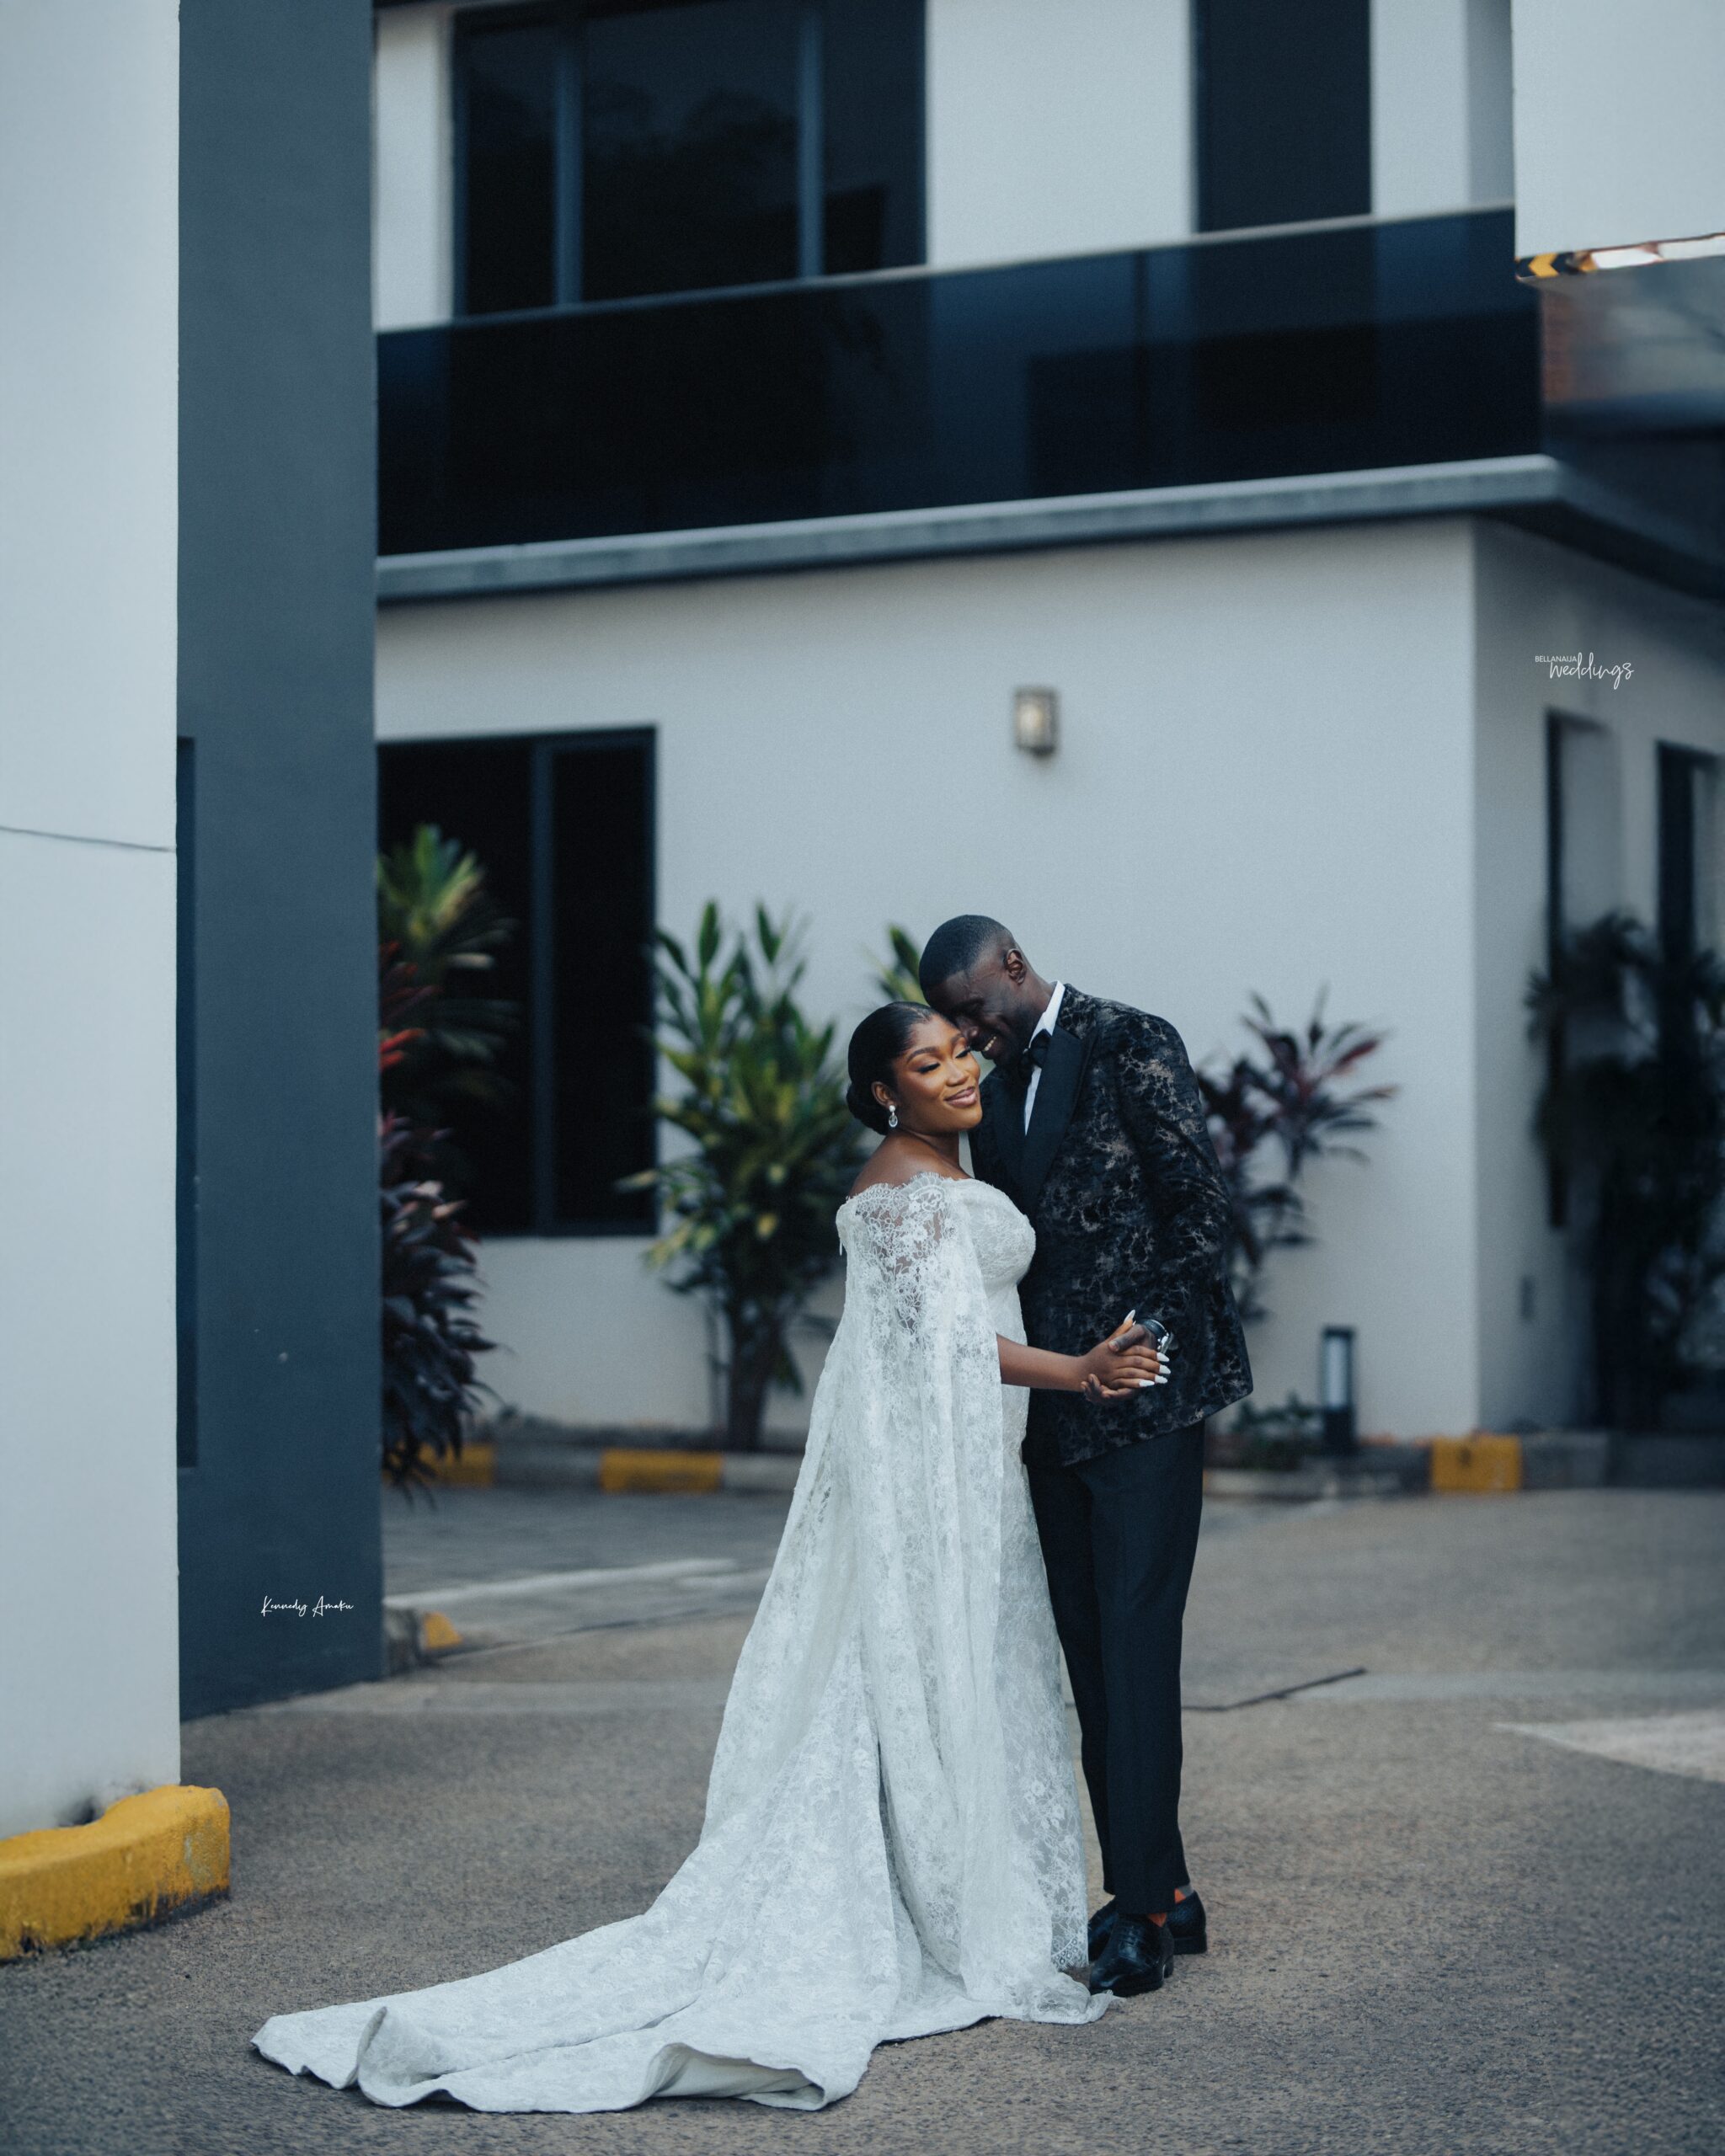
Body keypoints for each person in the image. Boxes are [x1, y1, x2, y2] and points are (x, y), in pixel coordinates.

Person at [252, 1002, 1166, 2116]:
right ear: (886, 1092)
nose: (958, 1071)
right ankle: (923, 1889)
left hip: (968, 1461)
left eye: (960, 1050)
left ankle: (941, 1865)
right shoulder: (901, 1189)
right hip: (933, 1476)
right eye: (928, 1063)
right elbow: (945, 1340)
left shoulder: (935, 1166)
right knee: (903, 1672)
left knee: (939, 1672)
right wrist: (1077, 1370)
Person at [921, 916, 1252, 1998]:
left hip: (1145, 1397)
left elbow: (1196, 1213)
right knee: (1091, 1657)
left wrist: (1137, 1340)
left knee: (1136, 1647)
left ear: (1012, 966)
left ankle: (1141, 1909)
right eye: (953, 1024)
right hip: (1051, 1412)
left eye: (975, 1011)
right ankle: (1167, 1886)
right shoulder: (991, 1090)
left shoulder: (1131, 1039)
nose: (971, 1036)